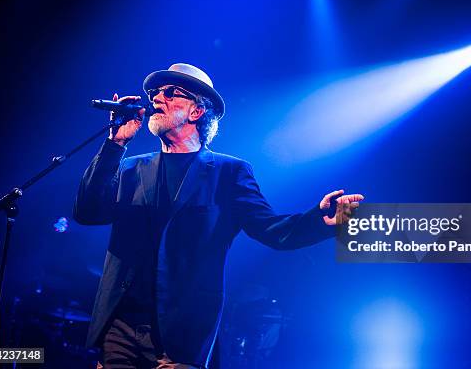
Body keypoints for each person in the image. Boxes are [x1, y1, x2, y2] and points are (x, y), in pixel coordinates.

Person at [74, 63, 364, 369]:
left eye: (171, 93)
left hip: (181, 331)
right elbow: (87, 212)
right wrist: (114, 143)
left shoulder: (229, 173)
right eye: (155, 92)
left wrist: (319, 222)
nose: (157, 98)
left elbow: (271, 230)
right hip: (121, 325)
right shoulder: (131, 167)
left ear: (197, 111)